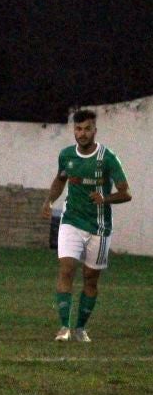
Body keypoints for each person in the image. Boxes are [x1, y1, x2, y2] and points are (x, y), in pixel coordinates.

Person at [40, 109, 131, 342]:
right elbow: (60, 179)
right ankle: (63, 327)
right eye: (78, 129)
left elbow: (126, 193)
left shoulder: (108, 158)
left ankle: (80, 327)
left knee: (90, 278)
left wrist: (106, 198)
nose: (82, 133)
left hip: (99, 226)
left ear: (94, 131)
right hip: (71, 220)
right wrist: (50, 200)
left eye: (86, 129)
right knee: (66, 269)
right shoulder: (66, 156)